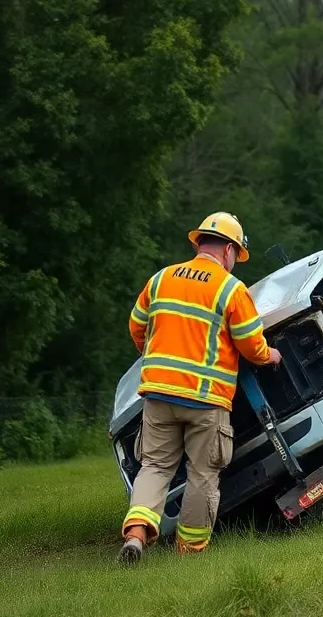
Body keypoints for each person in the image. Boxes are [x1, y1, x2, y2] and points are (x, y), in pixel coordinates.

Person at [119, 212, 281, 564]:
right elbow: (250, 344)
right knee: (202, 473)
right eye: (236, 255)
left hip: (158, 395)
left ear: (199, 244)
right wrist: (271, 355)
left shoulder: (161, 280)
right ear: (227, 250)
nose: (234, 262)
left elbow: (135, 327)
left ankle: (136, 534)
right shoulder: (229, 289)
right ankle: (189, 554)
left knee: (155, 466)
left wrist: (158, 355)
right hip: (206, 401)